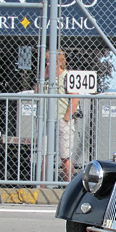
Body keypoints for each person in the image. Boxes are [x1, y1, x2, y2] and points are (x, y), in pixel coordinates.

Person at [44, 50, 79, 182]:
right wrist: (45, 76)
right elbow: (36, 91)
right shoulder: (46, 79)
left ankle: (68, 186)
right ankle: (42, 186)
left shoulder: (66, 77)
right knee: (44, 155)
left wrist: (66, 118)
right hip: (47, 121)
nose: (47, 63)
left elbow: (75, 99)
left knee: (65, 156)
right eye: (47, 61)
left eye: (50, 61)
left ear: (59, 62)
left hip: (61, 121)